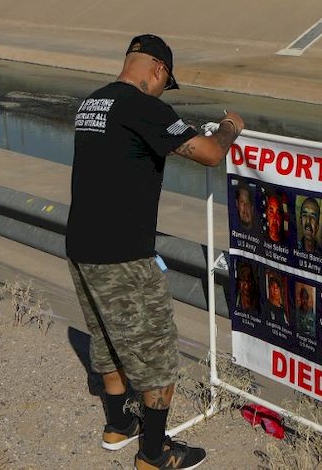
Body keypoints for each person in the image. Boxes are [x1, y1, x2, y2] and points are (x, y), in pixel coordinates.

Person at [65, 33, 244, 470]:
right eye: (167, 82)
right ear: (158, 70)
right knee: (158, 353)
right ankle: (154, 452)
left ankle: (117, 427)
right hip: (123, 253)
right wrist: (229, 128)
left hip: (81, 246)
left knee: (107, 341)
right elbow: (208, 154)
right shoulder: (143, 107)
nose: (165, 90)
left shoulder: (93, 103)